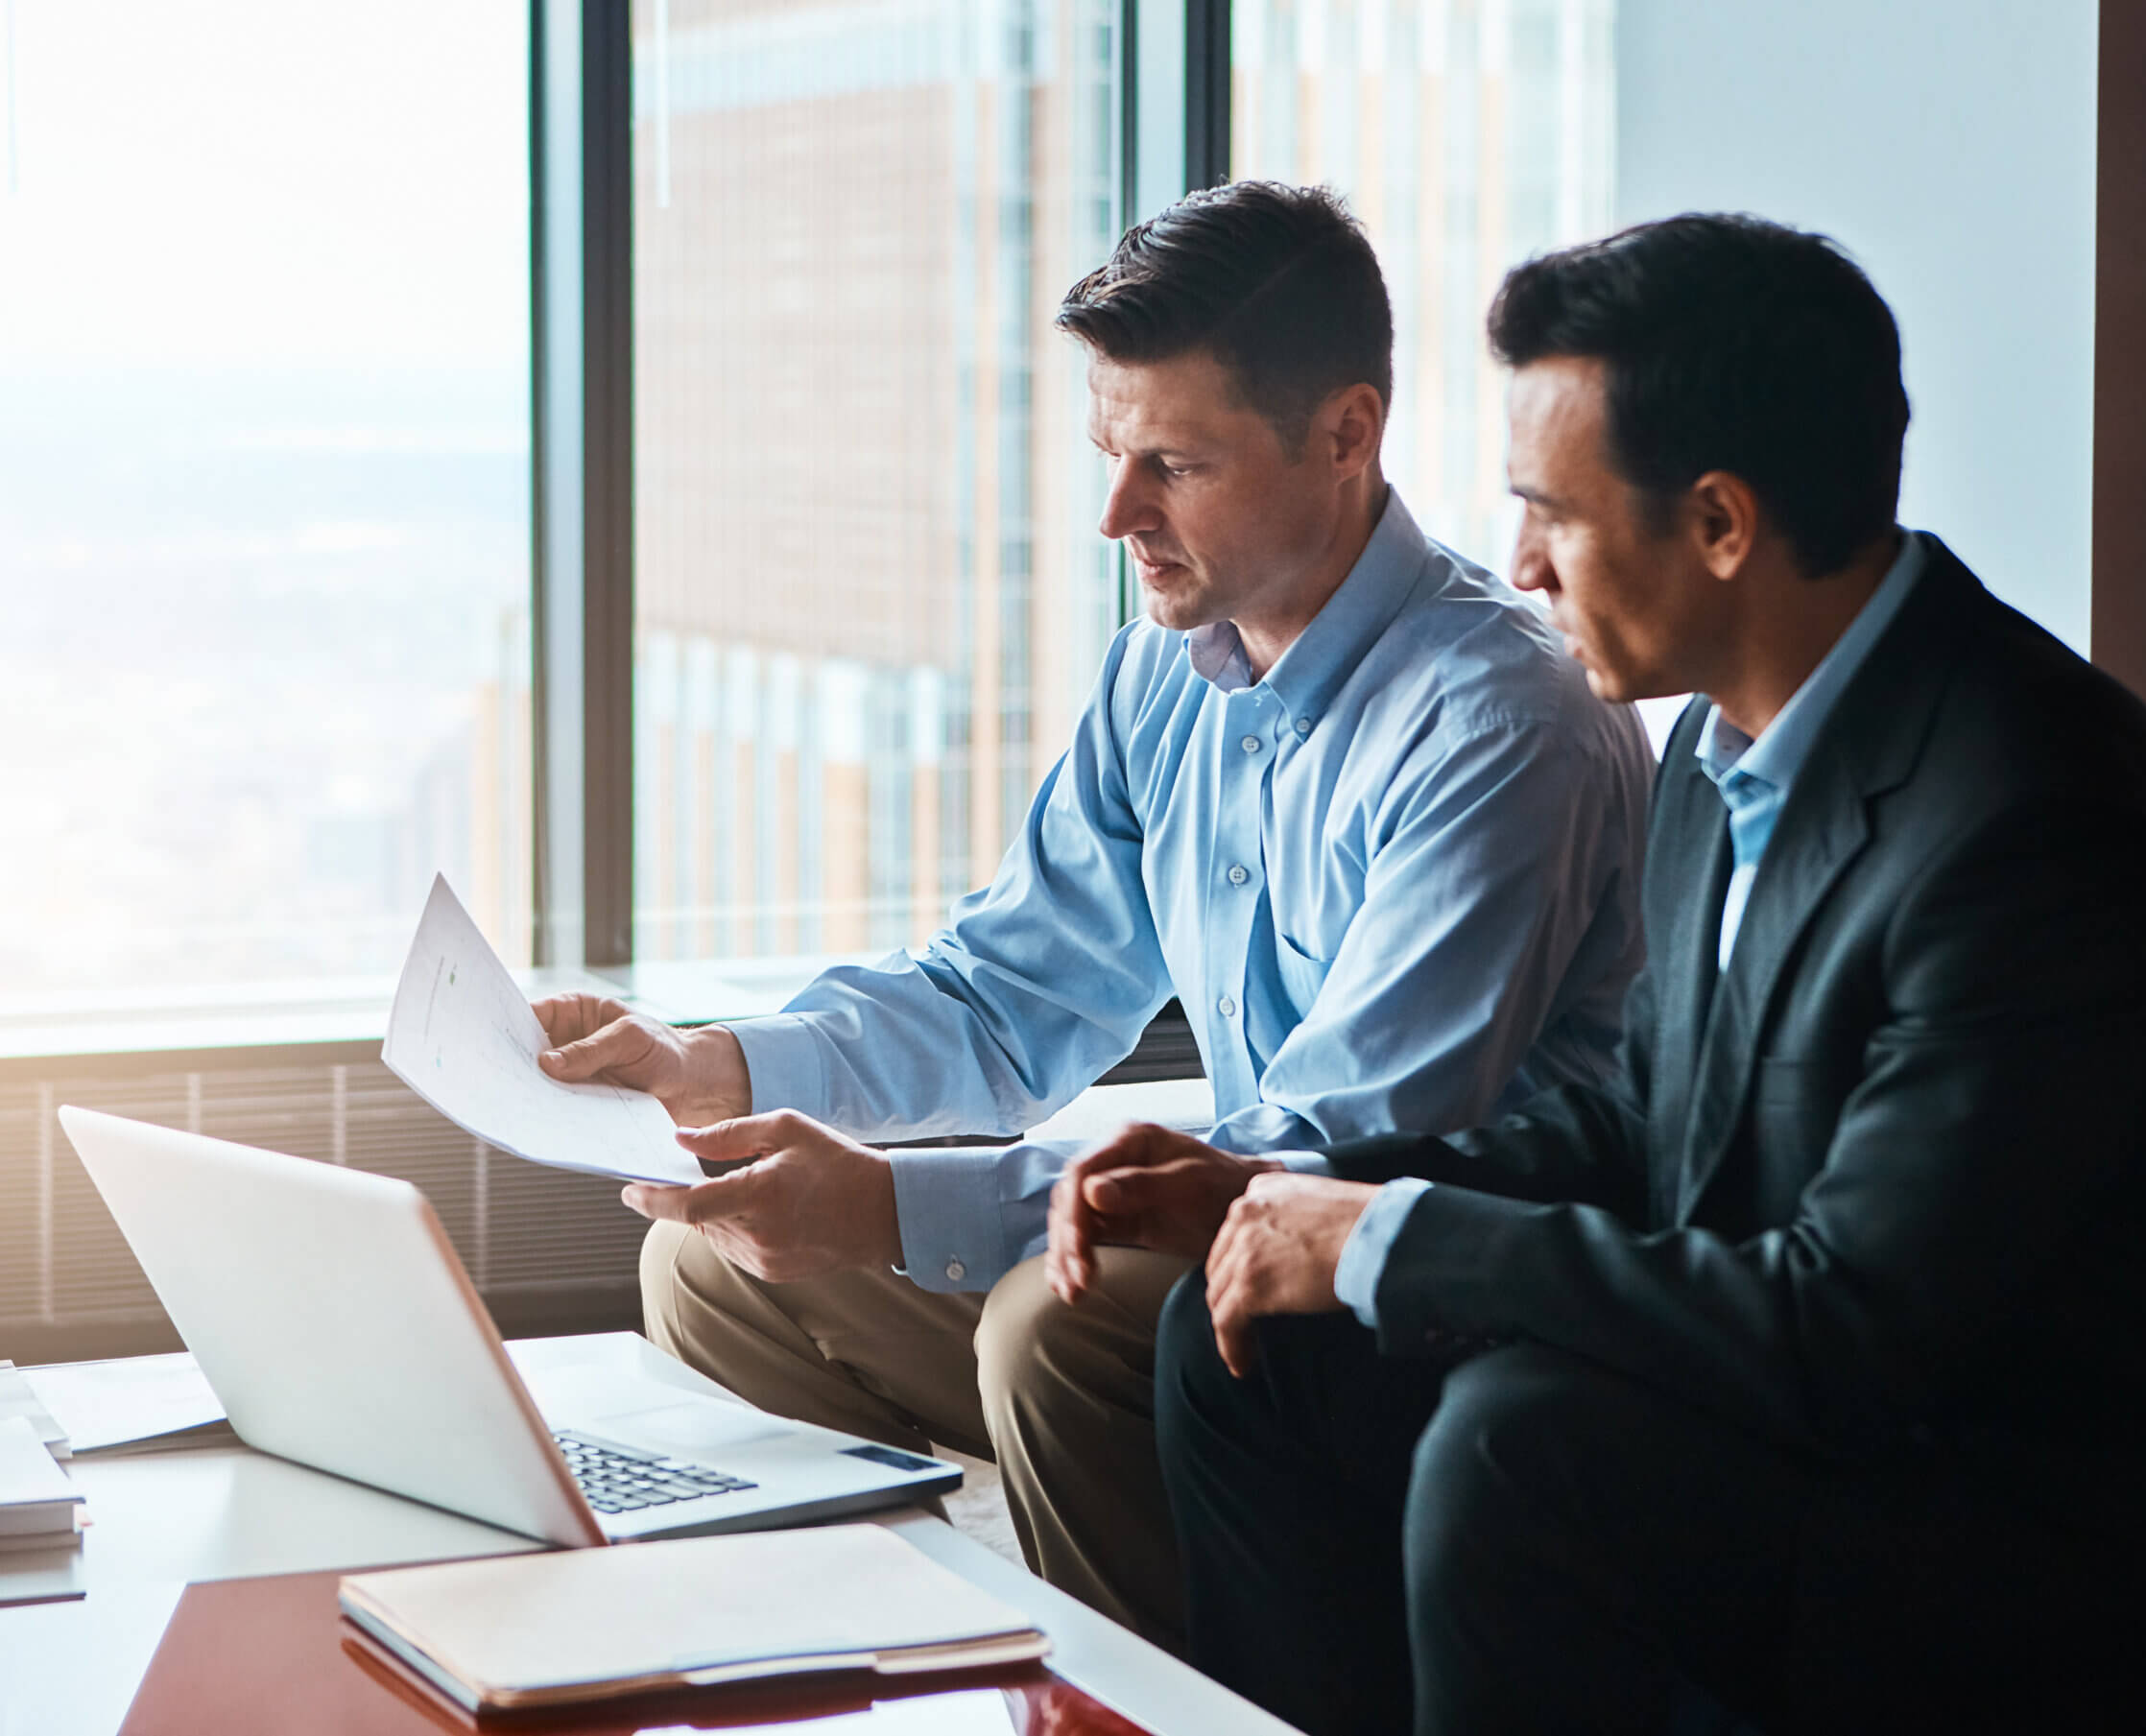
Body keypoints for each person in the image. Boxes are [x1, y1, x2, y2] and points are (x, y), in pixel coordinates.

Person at [1053, 213, 2146, 1733]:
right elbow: (1647, 1130)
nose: (1517, 563)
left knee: (1524, 1445)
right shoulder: (1720, 756)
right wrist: (1277, 1191)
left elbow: (1858, 1321)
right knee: (1253, 1342)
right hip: (1843, 1445)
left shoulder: (2037, 815)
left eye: (1553, 513)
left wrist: (1388, 1236)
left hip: (2078, 1542)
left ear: (1720, 523)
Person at [531, 180, 1655, 1654]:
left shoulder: (1496, 718)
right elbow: (1001, 997)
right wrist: (716, 1072)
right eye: (1109, 453)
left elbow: (1339, 1150)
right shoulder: (1162, 672)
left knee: (1057, 1328)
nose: (1116, 513)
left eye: (1174, 464)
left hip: (1418, 1292)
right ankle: (894, 1672)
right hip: (1237, 1235)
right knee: (714, 1265)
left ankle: (1164, 1697)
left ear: (1347, 434)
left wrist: (884, 1205)